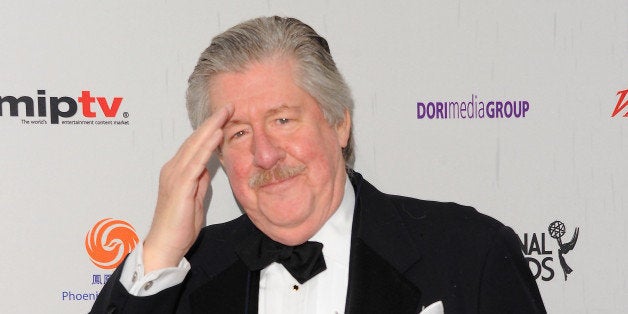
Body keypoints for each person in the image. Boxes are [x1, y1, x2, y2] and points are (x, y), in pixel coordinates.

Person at [91, 16, 545, 313]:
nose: (265, 155)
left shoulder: (468, 250)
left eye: (283, 120)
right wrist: (160, 252)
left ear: (339, 124)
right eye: (239, 134)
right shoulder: (181, 279)